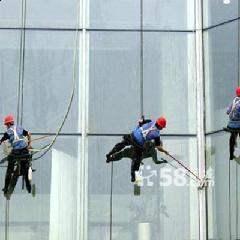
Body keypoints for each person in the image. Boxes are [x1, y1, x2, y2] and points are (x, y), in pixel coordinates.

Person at [106, 116, 168, 182]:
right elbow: (158, 147)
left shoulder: (150, 121)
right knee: (136, 160)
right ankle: (133, 176)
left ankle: (110, 154)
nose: (162, 128)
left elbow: (140, 121)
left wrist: (140, 123)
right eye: (162, 127)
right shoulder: (157, 135)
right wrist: (165, 151)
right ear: (161, 126)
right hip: (138, 144)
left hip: (133, 136)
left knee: (121, 145)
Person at [0, 114, 32, 196]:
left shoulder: (7, 132)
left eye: (6, 125)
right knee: (25, 169)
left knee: (9, 170)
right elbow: (29, 133)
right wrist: (29, 144)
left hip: (16, 152)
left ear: (8, 124)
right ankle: (28, 187)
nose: (6, 127)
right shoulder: (20, 128)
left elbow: (1, 140)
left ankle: (6, 188)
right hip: (24, 151)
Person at [226, 87, 240, 160]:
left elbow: (228, 111)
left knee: (232, 138)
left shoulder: (233, 101)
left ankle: (231, 155)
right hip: (238, 125)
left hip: (231, 125)